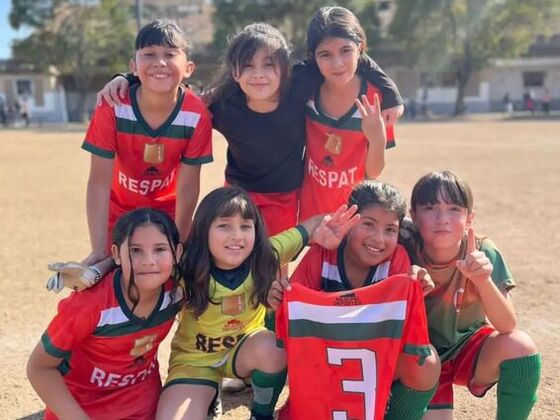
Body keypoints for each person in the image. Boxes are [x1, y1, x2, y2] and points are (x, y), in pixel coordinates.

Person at [96, 22, 403, 240]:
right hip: (238, 196)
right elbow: (172, 88)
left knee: (274, 271)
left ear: (284, 69)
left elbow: (351, 55)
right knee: (234, 261)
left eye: (269, 64)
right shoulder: (222, 104)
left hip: (284, 198)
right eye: (248, 65)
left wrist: (391, 94)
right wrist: (129, 78)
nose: (259, 74)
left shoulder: (299, 86)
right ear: (234, 71)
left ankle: (270, 328)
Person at [156, 186, 360, 420]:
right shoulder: (186, 267)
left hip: (243, 351)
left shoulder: (265, 254)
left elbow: (310, 227)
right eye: (224, 226)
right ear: (204, 231)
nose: (237, 236)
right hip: (195, 361)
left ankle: (261, 415)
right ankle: (209, 395)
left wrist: (325, 229)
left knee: (274, 350)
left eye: (245, 226)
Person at [268, 180, 440, 419]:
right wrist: (279, 299)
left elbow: (403, 330)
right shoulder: (323, 254)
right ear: (350, 221)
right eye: (368, 224)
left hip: (374, 362)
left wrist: (415, 291)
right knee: (271, 342)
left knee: (426, 363)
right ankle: (270, 411)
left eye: (390, 229)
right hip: (322, 358)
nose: (378, 239)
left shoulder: (397, 260)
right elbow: (294, 307)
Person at [401, 170, 541, 420]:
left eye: (454, 209)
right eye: (431, 207)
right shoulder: (403, 247)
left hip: (467, 348)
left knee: (519, 345)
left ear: (469, 218)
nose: (442, 218)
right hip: (420, 357)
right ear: (413, 216)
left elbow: (507, 324)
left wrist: (482, 280)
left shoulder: (482, 250)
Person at [27, 208, 185, 419]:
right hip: (83, 408)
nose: (149, 260)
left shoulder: (178, 290)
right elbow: (39, 367)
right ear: (116, 254)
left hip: (143, 407)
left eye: (160, 249)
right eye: (135, 250)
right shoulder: (90, 304)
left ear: (178, 253)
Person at [81, 19, 212, 268]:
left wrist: (180, 243)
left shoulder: (196, 114)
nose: (159, 62)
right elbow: (99, 182)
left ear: (189, 68)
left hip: (168, 215)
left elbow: (187, 189)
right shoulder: (113, 105)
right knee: (113, 283)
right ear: (133, 66)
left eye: (170, 54)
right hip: (119, 212)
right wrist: (98, 249)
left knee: (168, 286)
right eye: (149, 54)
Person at [298, 6, 396, 220]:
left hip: (356, 216)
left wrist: (377, 137)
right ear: (313, 57)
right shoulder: (306, 93)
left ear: (360, 48)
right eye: (326, 55)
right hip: (313, 215)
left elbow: (374, 172)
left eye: (345, 51)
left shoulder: (376, 98)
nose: (338, 63)